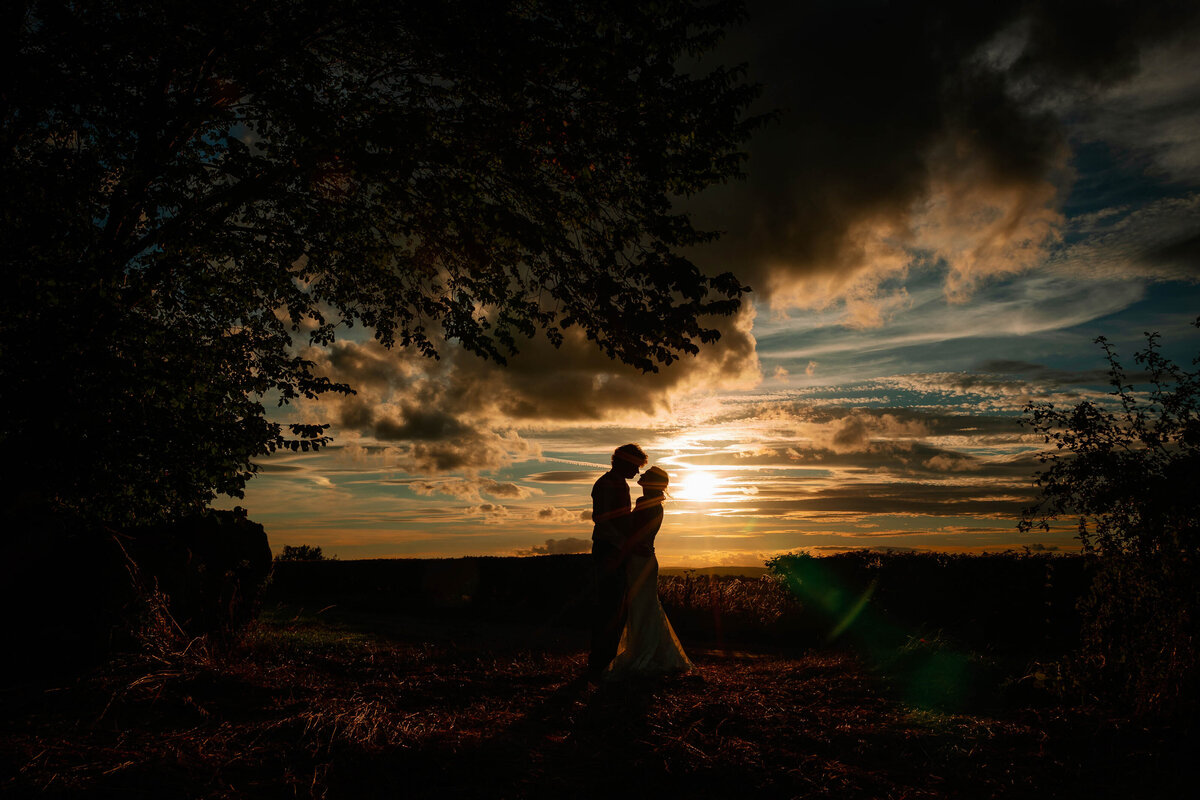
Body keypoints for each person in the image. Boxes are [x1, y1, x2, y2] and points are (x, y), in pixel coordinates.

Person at [605, 465, 692, 678]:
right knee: (646, 605)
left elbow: (635, 535)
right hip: (647, 558)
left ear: (650, 482)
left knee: (641, 606)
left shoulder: (644, 503)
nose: (640, 475)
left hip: (639, 559)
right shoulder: (656, 504)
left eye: (645, 475)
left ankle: (644, 652)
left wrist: (620, 556)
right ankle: (651, 651)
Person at [587, 443, 648, 677]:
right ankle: (600, 661)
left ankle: (605, 658)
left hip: (615, 549)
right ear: (624, 462)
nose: (637, 472)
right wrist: (625, 544)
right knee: (607, 605)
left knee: (614, 605)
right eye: (635, 466)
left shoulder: (618, 483)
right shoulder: (607, 484)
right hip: (608, 549)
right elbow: (601, 519)